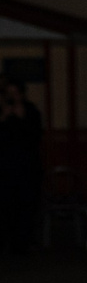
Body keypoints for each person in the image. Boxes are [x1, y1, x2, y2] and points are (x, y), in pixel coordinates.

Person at [0, 80, 45, 253]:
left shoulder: (31, 111)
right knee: (5, 206)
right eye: (8, 92)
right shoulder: (2, 110)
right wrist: (3, 118)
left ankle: (24, 242)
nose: (11, 96)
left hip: (27, 169)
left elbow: (35, 138)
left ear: (22, 94)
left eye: (15, 92)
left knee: (26, 206)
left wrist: (22, 118)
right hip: (4, 170)